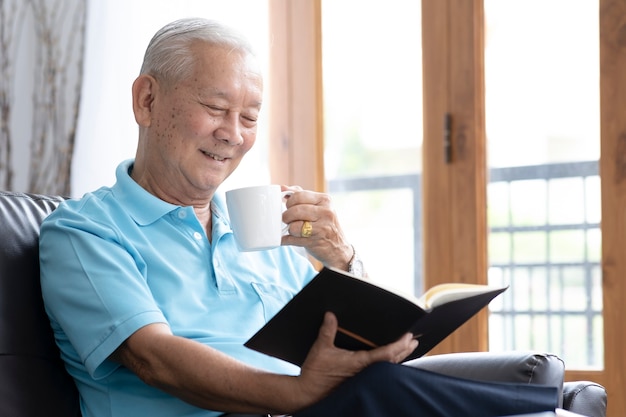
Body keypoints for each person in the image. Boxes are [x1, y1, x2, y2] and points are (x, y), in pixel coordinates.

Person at [39, 17, 558, 417]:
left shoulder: (260, 231)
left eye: (249, 117)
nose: (232, 134)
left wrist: (345, 262)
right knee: (397, 392)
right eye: (216, 108)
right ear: (147, 100)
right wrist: (298, 394)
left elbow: (341, 343)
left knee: (402, 384)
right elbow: (154, 357)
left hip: (312, 409)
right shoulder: (84, 232)